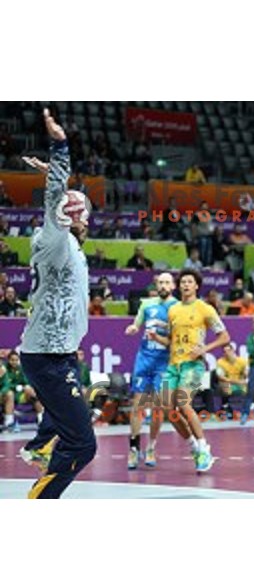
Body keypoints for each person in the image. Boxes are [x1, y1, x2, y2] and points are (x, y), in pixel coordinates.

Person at [18, 109, 97, 499]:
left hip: (60, 353)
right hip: (47, 356)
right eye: (74, 209)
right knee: (83, 445)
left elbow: (60, 198)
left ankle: (38, 448)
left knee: (69, 426)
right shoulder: (56, 243)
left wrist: (54, 172)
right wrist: (61, 149)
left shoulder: (69, 246)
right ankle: (39, 499)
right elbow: (56, 202)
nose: (79, 213)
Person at [148, 269, 230, 472]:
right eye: (183, 282)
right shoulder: (173, 310)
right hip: (173, 365)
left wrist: (204, 349)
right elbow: (171, 340)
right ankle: (193, 445)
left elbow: (224, 337)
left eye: (189, 282)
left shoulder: (205, 308)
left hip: (193, 365)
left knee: (184, 404)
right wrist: (157, 338)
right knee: (167, 409)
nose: (185, 285)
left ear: (196, 286)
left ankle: (204, 448)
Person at [124, 272, 179, 470]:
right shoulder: (146, 304)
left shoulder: (178, 308)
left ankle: (151, 447)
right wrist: (132, 328)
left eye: (167, 282)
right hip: (144, 361)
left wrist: (158, 338)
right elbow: (137, 324)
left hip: (164, 364)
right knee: (137, 405)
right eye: (160, 282)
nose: (163, 285)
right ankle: (133, 449)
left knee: (159, 408)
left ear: (173, 286)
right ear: (156, 285)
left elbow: (174, 340)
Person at [1, 350, 43, 433]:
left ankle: (42, 420)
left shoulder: (21, 369)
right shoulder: (4, 369)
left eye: (16, 360)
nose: (14, 362)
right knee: (10, 394)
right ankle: (9, 423)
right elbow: (6, 385)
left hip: (19, 395)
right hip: (9, 395)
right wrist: (16, 387)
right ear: (8, 360)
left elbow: (26, 382)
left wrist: (26, 387)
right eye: (12, 360)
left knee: (31, 391)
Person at [216, 343, 249, 418]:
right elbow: (221, 377)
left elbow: (247, 374)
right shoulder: (220, 362)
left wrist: (246, 375)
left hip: (241, 385)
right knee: (224, 385)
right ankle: (225, 406)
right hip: (229, 384)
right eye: (224, 351)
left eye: (228, 350)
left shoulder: (242, 361)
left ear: (233, 351)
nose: (226, 353)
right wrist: (236, 382)